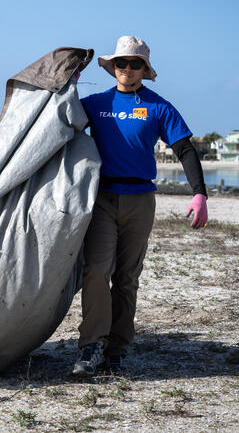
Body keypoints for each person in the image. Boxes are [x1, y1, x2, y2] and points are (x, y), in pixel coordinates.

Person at [72, 36, 208, 375]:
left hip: (140, 200)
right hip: (102, 198)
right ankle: (91, 346)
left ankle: (117, 348)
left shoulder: (158, 106)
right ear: (112, 68)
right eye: (122, 63)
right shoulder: (95, 104)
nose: (128, 69)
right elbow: (60, 122)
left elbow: (185, 150)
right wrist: (68, 84)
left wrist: (200, 193)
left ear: (144, 70)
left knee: (127, 278)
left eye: (135, 64)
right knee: (95, 272)